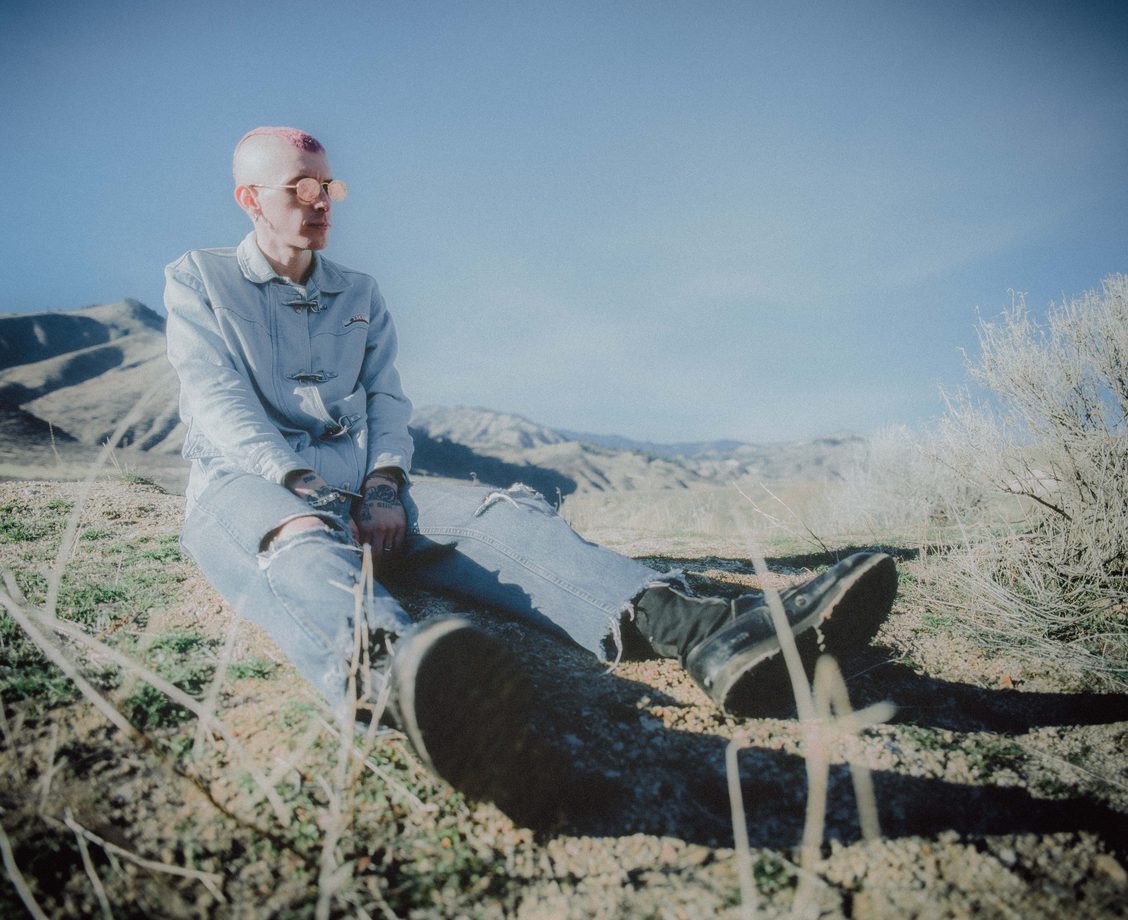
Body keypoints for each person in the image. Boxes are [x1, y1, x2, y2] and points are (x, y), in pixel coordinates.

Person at [164, 126, 897, 821]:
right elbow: (218, 401)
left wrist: (383, 487)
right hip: (250, 485)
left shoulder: (360, 293)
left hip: (363, 482)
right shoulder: (199, 279)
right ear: (250, 199)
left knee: (501, 513)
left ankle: (705, 631)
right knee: (297, 539)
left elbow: (387, 400)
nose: (322, 201)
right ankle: (406, 684)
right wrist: (307, 489)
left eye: (330, 186)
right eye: (301, 187)